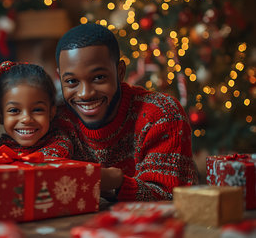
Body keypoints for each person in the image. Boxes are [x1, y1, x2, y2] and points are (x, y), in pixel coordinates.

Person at [52, 23, 198, 201]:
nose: (85, 93)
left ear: (120, 72)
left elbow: (171, 196)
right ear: (60, 78)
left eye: (99, 78)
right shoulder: (55, 117)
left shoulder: (161, 113)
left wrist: (116, 182)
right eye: (72, 81)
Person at [0, 61, 70, 157]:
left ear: (51, 112)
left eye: (37, 110)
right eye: (14, 110)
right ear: (0, 114)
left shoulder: (61, 149)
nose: (26, 119)